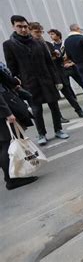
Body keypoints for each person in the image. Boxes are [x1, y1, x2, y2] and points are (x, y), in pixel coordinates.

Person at [3, 15, 70, 145]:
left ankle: (58, 130)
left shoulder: (38, 42)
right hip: (29, 83)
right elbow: (12, 67)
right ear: (13, 27)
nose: (23, 29)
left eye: (25, 26)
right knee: (36, 110)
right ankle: (41, 134)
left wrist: (57, 80)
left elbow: (49, 63)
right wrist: (17, 85)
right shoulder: (9, 45)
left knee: (54, 107)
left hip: (47, 80)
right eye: (19, 26)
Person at [30, 23, 83, 121]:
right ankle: (59, 117)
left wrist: (57, 56)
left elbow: (58, 61)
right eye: (37, 32)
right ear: (30, 32)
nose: (40, 34)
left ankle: (79, 111)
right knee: (52, 100)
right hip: (46, 77)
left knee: (69, 94)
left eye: (41, 32)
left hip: (58, 74)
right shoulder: (31, 47)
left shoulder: (48, 45)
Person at [0, 61, 38, 190]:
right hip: (2, 113)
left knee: (3, 144)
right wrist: (7, 113)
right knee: (7, 143)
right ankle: (12, 179)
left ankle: (11, 176)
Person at [48, 29, 83, 100]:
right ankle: (73, 98)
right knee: (67, 85)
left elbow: (73, 54)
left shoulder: (65, 43)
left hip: (71, 66)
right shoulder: (51, 45)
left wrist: (71, 63)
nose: (51, 36)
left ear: (58, 35)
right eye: (50, 34)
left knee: (80, 81)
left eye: (52, 34)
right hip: (61, 68)